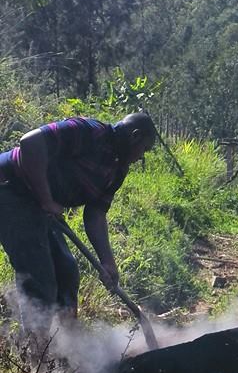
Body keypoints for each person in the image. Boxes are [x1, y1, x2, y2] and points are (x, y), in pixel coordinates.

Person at [0, 112, 156, 349]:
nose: (141, 157)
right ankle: (35, 361)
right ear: (135, 137)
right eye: (144, 149)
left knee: (68, 272)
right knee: (41, 280)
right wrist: (46, 199)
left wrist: (108, 262)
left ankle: (70, 350)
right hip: (10, 189)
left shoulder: (117, 170)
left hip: (39, 206)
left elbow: (95, 215)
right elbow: (30, 142)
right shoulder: (89, 132)